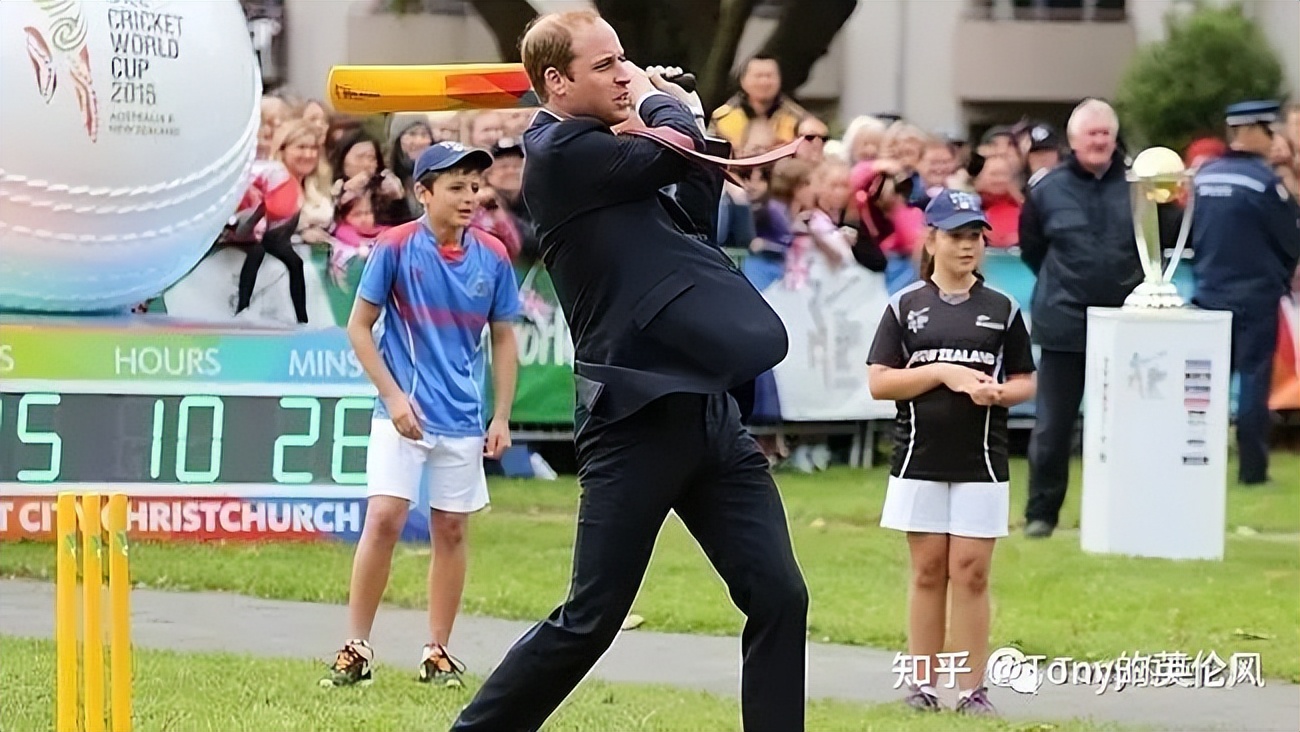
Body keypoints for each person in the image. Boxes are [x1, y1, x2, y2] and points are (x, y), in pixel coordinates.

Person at [449, 10, 808, 732]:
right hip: (633, 419)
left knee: (779, 596)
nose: (621, 72)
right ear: (556, 81)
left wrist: (689, 117)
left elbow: (692, 215)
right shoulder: (557, 150)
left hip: (706, 411)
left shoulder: (615, 155)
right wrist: (655, 99)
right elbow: (670, 151)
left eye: (624, 61)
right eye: (605, 64)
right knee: (590, 620)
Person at [321, 141, 521, 688]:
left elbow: (504, 338)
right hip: (401, 413)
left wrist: (501, 415)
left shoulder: (494, 256)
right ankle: (355, 647)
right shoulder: (394, 246)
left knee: (450, 530)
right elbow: (360, 328)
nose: (470, 197)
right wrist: (392, 397)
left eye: (474, 187)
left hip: (461, 416)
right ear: (424, 192)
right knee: (384, 519)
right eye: (456, 187)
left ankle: (437, 651)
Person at [867, 189, 1036, 716]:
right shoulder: (905, 306)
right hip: (918, 456)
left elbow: (1025, 381)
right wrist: (941, 373)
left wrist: (999, 393)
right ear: (933, 239)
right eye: (957, 236)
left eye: (976, 237)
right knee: (927, 569)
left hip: (982, 458)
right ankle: (922, 685)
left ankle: (971, 689)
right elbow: (880, 383)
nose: (968, 247)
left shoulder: (1002, 309)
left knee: (971, 570)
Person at [1018, 99, 1141, 539]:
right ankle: (1041, 514)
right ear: (1073, 140)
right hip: (1065, 320)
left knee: (1130, 422)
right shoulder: (1045, 188)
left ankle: (1130, 511)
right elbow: (1032, 249)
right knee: (1053, 425)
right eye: (1092, 134)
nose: (1100, 141)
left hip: (1128, 322)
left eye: (1106, 133)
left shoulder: (1138, 184)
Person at [1190, 100, 1300, 485]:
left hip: (1209, 293)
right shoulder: (1266, 183)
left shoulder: (1203, 177)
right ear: (1253, 131)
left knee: (1208, 384)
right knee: (1253, 383)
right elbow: (1290, 241)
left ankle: (1199, 462)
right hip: (1255, 297)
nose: (1274, 141)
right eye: (1270, 132)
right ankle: (1252, 470)